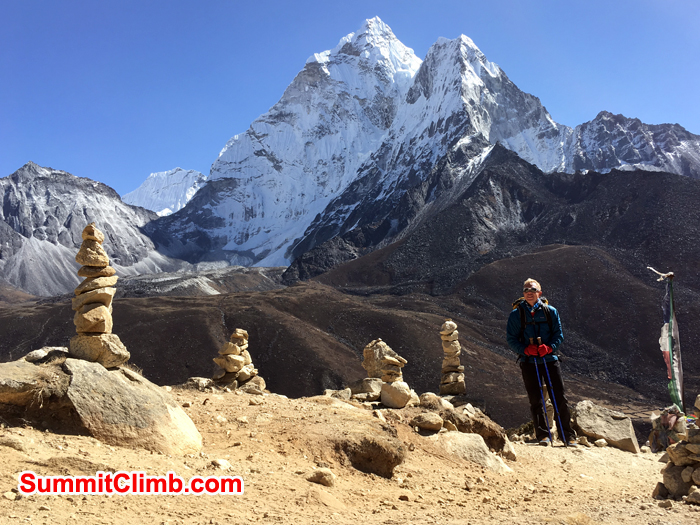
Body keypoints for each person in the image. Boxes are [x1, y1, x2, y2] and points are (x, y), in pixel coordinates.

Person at [506, 278, 577, 446]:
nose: (529, 293)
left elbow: (558, 335)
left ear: (540, 292)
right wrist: (525, 350)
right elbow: (511, 339)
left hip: (549, 359)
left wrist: (550, 347)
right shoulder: (516, 315)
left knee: (559, 397)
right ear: (523, 294)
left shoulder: (550, 312)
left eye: (533, 290)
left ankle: (567, 435)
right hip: (529, 361)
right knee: (536, 400)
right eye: (526, 291)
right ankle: (543, 435)